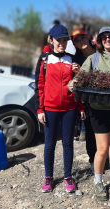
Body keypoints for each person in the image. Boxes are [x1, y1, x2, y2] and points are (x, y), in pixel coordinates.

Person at [69, 26, 110, 201]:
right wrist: (73, 83)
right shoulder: (93, 59)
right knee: (102, 148)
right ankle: (98, 181)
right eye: (104, 37)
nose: (108, 39)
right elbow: (80, 77)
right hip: (98, 109)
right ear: (100, 41)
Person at [35, 24, 85, 193]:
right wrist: (40, 109)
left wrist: (81, 107)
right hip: (50, 109)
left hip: (70, 109)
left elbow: (78, 87)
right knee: (49, 145)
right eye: (58, 40)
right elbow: (39, 86)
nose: (62, 43)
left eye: (65, 40)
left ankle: (67, 176)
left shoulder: (73, 59)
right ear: (51, 40)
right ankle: (49, 177)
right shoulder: (44, 60)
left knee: (68, 144)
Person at [71, 29, 98, 172]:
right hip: (89, 100)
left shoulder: (100, 50)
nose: (81, 42)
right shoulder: (77, 60)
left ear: (88, 38)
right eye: (77, 40)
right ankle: (93, 159)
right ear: (74, 44)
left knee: (108, 129)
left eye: (83, 38)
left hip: (108, 98)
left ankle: (107, 155)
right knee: (90, 131)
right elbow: (77, 83)